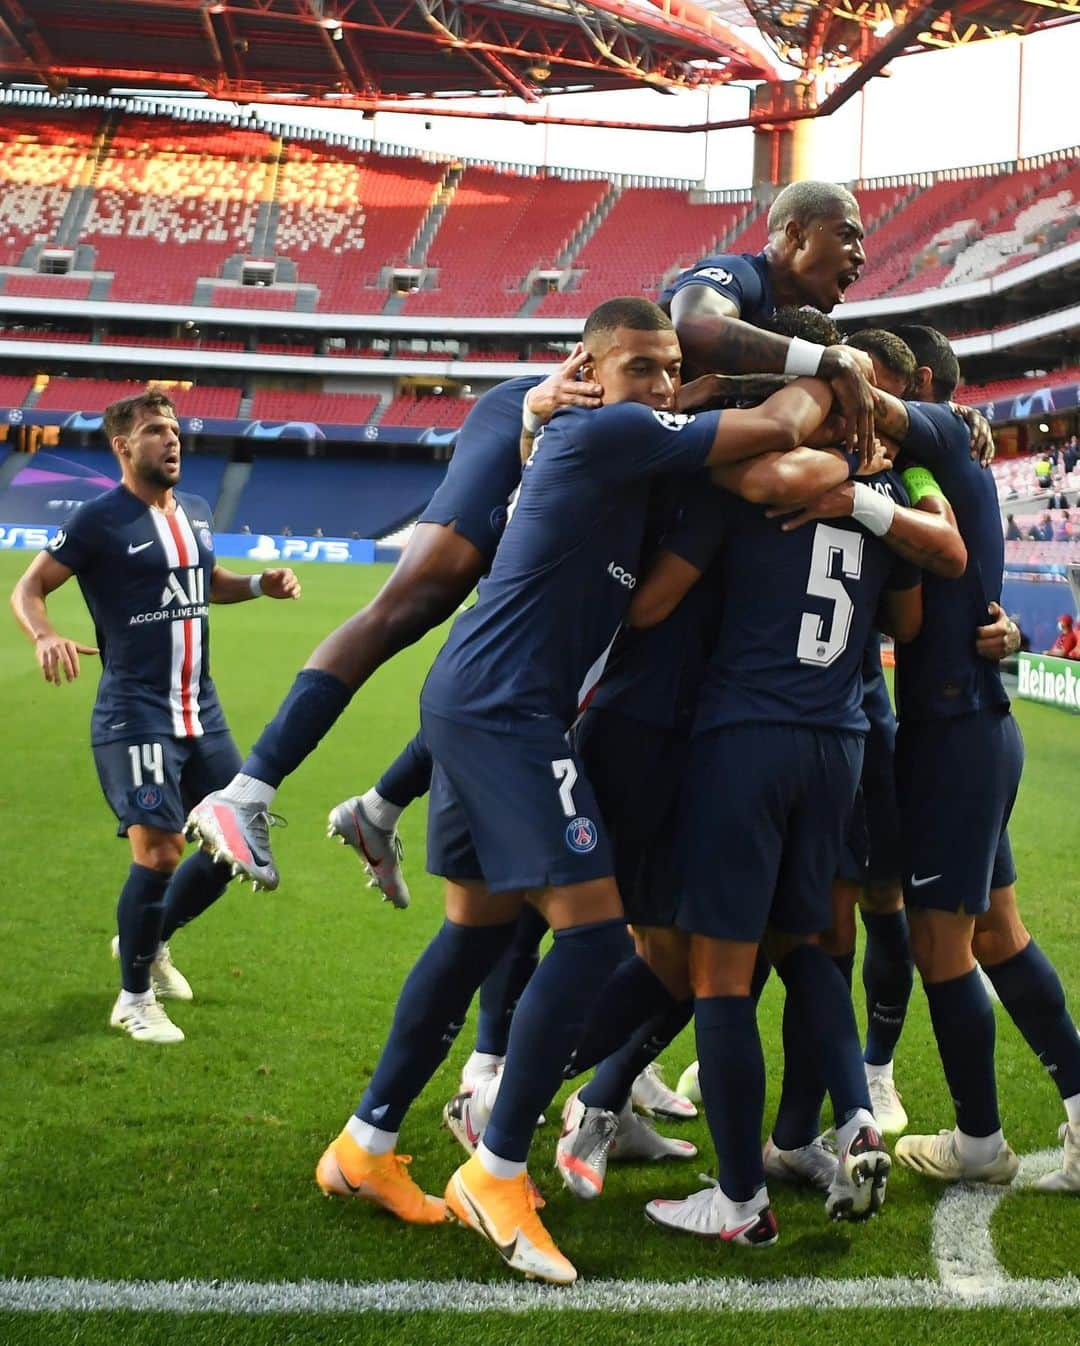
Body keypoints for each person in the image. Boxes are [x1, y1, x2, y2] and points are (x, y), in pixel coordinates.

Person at [312, 298, 845, 1286]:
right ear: (589, 369)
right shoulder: (610, 429)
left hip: (484, 698)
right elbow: (774, 432)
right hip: (506, 708)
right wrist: (834, 372)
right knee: (595, 930)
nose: (652, 382)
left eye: (666, 367)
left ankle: (364, 1143)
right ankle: (499, 1168)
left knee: (474, 934)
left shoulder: (623, 446)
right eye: (636, 365)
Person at [186, 352, 602, 890]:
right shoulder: (722, 298)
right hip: (538, 412)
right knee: (407, 605)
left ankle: (378, 809)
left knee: (505, 655)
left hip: (590, 433)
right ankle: (245, 793)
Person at [9, 392, 301, 1044]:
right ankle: (134, 998)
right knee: (162, 849)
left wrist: (258, 585)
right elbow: (28, 588)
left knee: (233, 848)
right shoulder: (95, 521)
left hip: (204, 710)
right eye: (153, 432)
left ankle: (149, 938)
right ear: (122, 446)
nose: (170, 441)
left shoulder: (192, 516)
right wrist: (43, 635)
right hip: (136, 712)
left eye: (172, 430)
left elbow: (206, 581)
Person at [861, 326, 1080, 1193]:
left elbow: (878, 411)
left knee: (940, 942)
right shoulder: (941, 461)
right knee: (998, 934)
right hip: (974, 728)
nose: (863, 407)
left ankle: (980, 1143)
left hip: (957, 735)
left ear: (917, 383)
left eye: (875, 385)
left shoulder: (943, 432)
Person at [661, 180, 876, 461]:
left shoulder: (784, 316)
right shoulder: (738, 273)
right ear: (796, 234)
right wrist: (831, 362)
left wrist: (721, 386)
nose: (860, 255)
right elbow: (694, 325)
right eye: (846, 235)